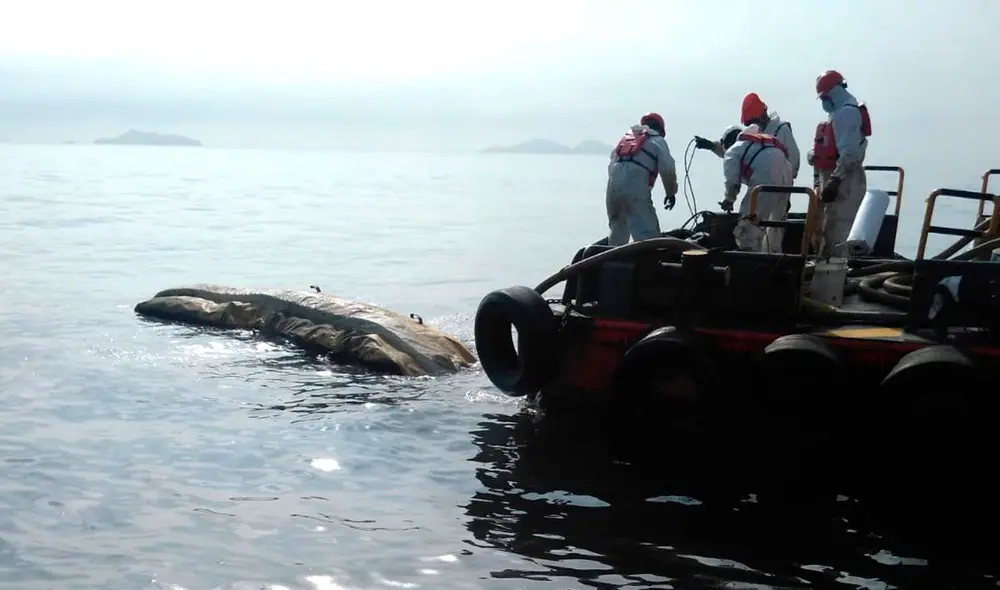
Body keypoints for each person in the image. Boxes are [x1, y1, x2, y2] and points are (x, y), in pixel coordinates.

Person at [808, 69, 871, 257]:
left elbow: (849, 153)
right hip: (836, 178)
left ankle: (837, 280)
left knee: (838, 234)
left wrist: (835, 181)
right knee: (827, 232)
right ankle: (831, 275)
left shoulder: (846, 114)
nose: (824, 102)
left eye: (824, 97)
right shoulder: (840, 113)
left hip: (845, 182)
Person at [605, 112, 678, 247]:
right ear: (660, 130)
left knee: (618, 230)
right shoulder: (658, 141)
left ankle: (612, 261)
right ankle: (649, 264)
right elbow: (668, 170)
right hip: (635, 188)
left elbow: (611, 167)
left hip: (612, 188)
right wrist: (671, 193)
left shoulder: (623, 141)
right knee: (647, 234)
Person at [719, 126, 794, 252]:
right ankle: (774, 257)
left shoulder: (733, 150)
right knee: (776, 224)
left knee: (748, 224)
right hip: (786, 173)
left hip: (766, 176)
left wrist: (729, 200)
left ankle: (749, 259)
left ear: (725, 143)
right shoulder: (757, 143)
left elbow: (732, 181)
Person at [694, 93, 800, 180]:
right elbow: (736, 152)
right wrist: (712, 146)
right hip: (759, 184)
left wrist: (786, 184)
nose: (753, 124)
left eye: (753, 121)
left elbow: (793, 158)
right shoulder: (755, 132)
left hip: (778, 184)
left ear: (762, 115)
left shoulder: (781, 130)